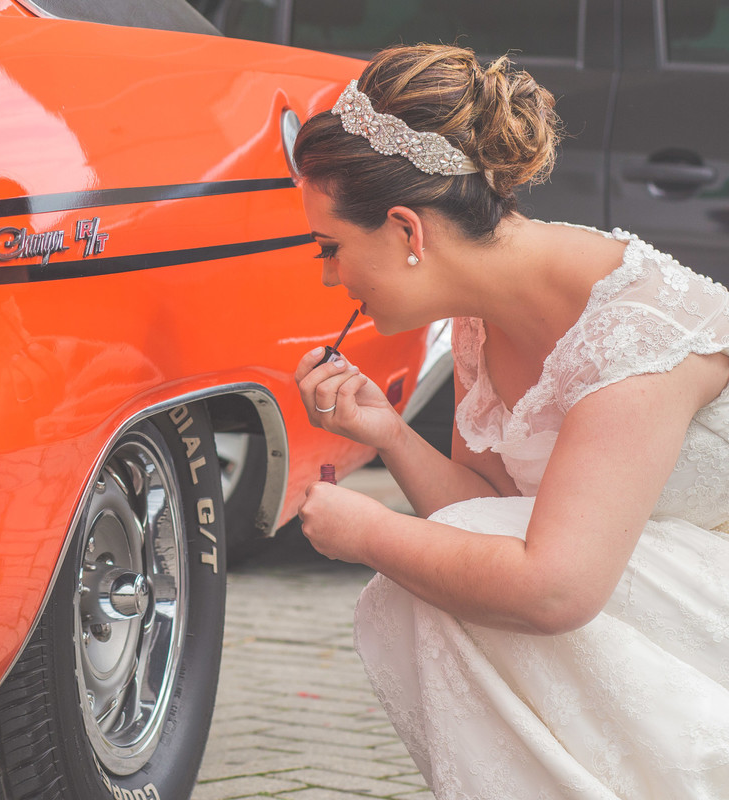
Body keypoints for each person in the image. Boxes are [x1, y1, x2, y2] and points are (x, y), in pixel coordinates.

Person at [292, 44, 729, 798]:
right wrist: (389, 434)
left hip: (699, 605)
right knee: (442, 573)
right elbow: (491, 506)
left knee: (422, 578)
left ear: (407, 230)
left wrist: (368, 534)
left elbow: (555, 590)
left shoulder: (633, 331)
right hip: (636, 597)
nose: (331, 277)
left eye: (331, 249)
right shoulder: (482, 316)